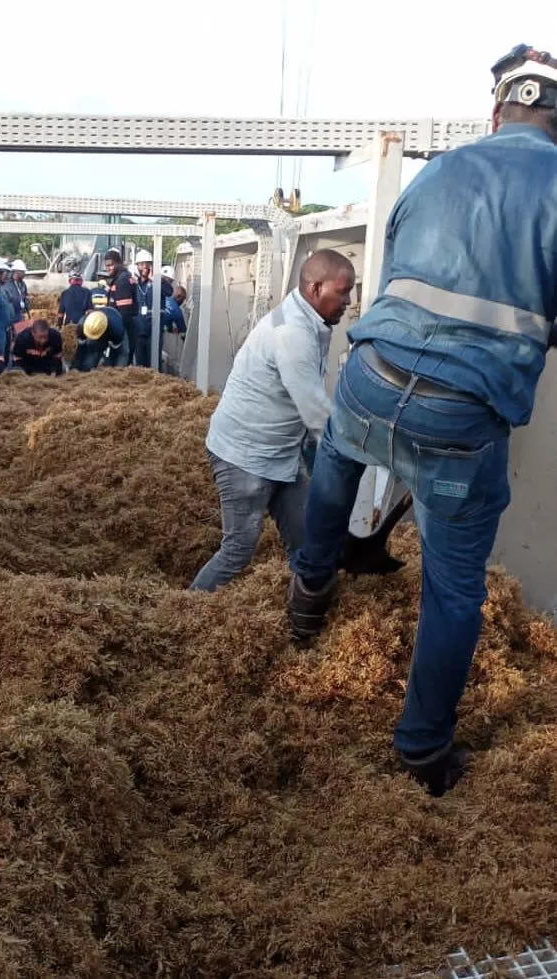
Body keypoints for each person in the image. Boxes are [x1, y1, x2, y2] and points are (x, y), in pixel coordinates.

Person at [285, 45, 557, 798]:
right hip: (459, 413)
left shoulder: (438, 169)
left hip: (371, 375)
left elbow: (402, 269)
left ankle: (308, 594)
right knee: (453, 588)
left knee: (337, 457)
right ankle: (420, 751)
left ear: (495, 114)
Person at [189, 250, 355, 593]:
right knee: (237, 549)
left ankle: (304, 611)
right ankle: (185, 612)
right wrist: (356, 455)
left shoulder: (304, 318)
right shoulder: (292, 332)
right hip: (244, 455)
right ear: (314, 288)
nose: (349, 302)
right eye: (343, 292)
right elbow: (315, 411)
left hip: (280, 452)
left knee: (306, 541)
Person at [132, 249, 173, 368]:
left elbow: (169, 292)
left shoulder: (158, 281)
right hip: (139, 328)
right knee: (140, 363)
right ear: (137, 266)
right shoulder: (135, 283)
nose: (144, 267)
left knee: (154, 361)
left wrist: (155, 279)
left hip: (154, 328)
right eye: (141, 264)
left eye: (147, 263)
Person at [104, 248, 137, 363]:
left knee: (121, 361)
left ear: (118, 263)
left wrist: (117, 334)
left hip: (123, 331)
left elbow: (125, 313)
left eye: (111, 265)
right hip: (123, 329)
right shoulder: (121, 278)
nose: (108, 268)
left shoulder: (122, 280)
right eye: (106, 265)